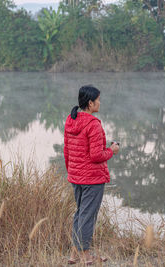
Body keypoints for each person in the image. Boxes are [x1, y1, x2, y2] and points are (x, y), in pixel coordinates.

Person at [64, 85, 119, 265]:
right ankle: (86, 257)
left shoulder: (71, 120)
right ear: (90, 103)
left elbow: (67, 152)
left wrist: (72, 172)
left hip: (76, 177)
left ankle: (73, 255)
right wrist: (112, 150)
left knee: (81, 214)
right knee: (87, 216)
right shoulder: (93, 124)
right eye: (98, 100)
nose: (100, 103)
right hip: (92, 179)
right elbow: (96, 155)